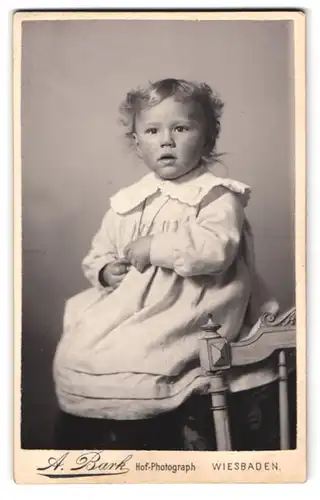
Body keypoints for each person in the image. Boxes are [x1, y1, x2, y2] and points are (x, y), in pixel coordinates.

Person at [53, 78, 281, 451]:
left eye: (181, 128)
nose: (167, 140)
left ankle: (152, 431)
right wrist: (106, 270)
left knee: (142, 353)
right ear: (137, 143)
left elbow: (216, 249)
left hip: (192, 307)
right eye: (153, 130)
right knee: (83, 343)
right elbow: (99, 252)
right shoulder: (129, 201)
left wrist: (156, 245)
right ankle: (109, 436)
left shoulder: (215, 197)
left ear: (207, 139)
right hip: (134, 307)